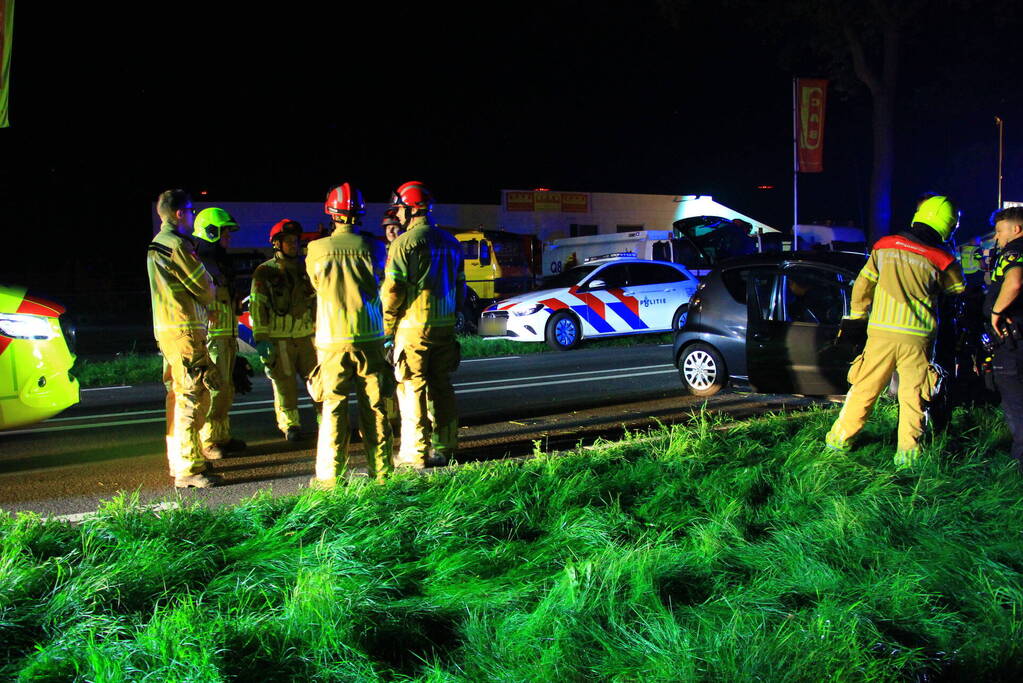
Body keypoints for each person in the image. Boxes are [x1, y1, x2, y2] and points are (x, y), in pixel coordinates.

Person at [825, 195, 966, 467]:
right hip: (918, 338)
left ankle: (838, 442)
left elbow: (863, 285)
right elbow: (957, 296)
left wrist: (857, 318)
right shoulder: (944, 258)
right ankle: (908, 457)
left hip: (881, 334)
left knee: (864, 389)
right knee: (913, 398)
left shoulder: (884, 246)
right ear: (949, 226)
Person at [306, 183, 393, 486]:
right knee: (376, 408)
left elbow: (316, 285)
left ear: (331, 212)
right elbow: (382, 282)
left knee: (333, 407)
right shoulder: (375, 247)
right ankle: (381, 474)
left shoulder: (316, 249)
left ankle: (331, 478)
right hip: (369, 337)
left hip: (331, 340)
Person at [381, 181, 466, 468]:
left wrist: (387, 330)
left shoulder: (402, 244)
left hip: (413, 327)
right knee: (442, 386)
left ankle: (415, 453)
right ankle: (446, 447)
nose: (398, 216)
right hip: (444, 327)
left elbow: (394, 290)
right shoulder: (451, 242)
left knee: (412, 387)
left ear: (412, 209)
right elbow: (460, 287)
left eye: (401, 210)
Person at [147, 189, 222, 488]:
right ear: (180, 213)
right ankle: (189, 469)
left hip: (167, 330)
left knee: (176, 396)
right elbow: (204, 287)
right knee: (192, 395)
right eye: (190, 211)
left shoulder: (156, 245)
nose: (192, 216)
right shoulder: (178, 245)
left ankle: (180, 461)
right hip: (185, 330)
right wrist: (212, 295)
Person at [250, 219, 318, 441]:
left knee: (319, 382)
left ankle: (325, 421)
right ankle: (291, 426)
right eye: (288, 241)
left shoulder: (306, 268)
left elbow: (317, 301)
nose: (293, 245)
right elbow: (257, 305)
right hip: (280, 339)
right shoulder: (265, 272)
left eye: (295, 241)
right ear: (276, 244)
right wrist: (261, 338)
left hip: (308, 337)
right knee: (284, 385)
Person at [192, 207, 248, 458]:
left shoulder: (221, 262)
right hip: (212, 336)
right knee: (213, 388)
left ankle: (221, 435)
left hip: (225, 335)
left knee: (226, 387)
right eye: (225, 232)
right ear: (211, 231)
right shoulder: (199, 262)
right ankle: (209, 441)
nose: (228, 237)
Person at [985, 206, 1023, 473]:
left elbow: (1014, 282)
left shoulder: (1015, 251)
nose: (997, 238)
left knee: (1016, 404)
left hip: (1014, 342)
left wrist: (996, 311)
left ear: (1016, 229)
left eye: (999, 231)